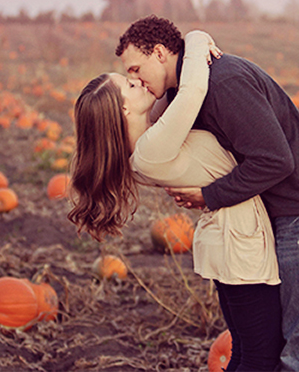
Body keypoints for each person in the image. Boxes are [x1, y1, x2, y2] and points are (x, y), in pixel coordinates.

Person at [116, 15, 299, 372]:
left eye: (136, 68)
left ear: (160, 53)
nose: (134, 79)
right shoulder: (185, 90)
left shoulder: (223, 84)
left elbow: (275, 161)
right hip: (280, 208)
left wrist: (210, 194)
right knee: (281, 341)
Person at [68, 30, 285, 371]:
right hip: (240, 245)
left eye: (134, 74)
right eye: (128, 83)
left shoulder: (150, 138)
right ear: (124, 107)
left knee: (246, 351)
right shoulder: (151, 150)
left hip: (231, 241)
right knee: (260, 356)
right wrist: (196, 39)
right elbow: (193, 90)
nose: (136, 81)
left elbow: (177, 97)